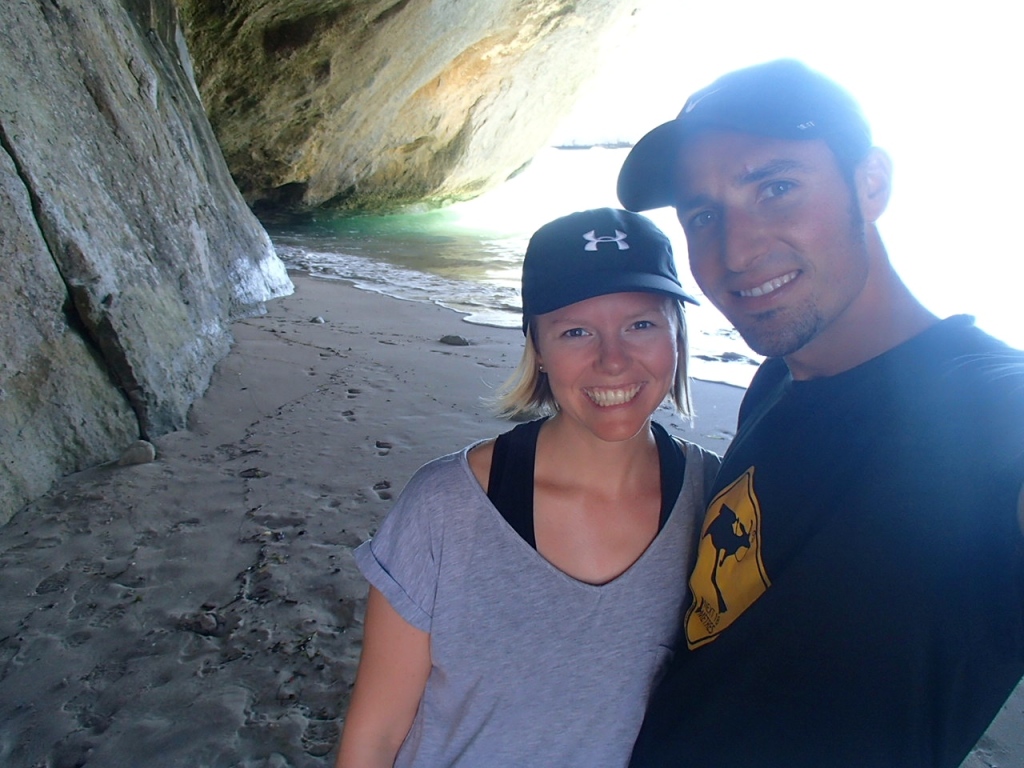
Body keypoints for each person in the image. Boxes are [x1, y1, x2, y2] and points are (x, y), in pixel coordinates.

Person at [616, 58, 1024, 768]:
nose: (735, 253)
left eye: (776, 188)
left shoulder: (994, 408)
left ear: (871, 184)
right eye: (704, 215)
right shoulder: (777, 380)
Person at [334, 207, 722, 767]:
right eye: (576, 331)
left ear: (677, 334)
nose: (613, 360)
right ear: (537, 348)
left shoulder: (717, 500)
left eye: (641, 324)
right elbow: (374, 737)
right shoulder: (449, 507)